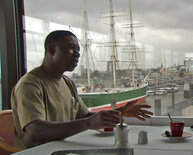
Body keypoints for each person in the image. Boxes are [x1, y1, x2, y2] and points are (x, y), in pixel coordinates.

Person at [10, 30, 153, 149]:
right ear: (52, 50)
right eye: (72, 48)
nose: (77, 54)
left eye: (78, 49)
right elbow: (35, 131)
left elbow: (84, 117)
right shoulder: (30, 85)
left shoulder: (68, 83)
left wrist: (120, 112)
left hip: (64, 148)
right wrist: (88, 124)